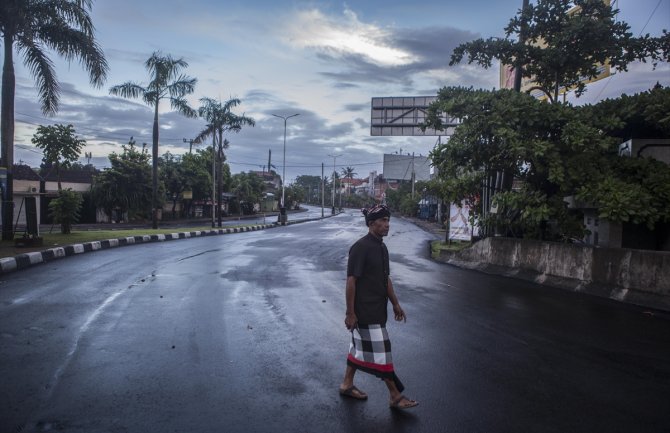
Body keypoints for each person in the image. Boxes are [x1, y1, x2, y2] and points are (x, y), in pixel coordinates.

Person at [338, 204, 418, 410]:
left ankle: (346, 384)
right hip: (364, 310)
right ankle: (395, 396)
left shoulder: (381, 247)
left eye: (388, 221)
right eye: (382, 221)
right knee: (383, 351)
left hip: (378, 308)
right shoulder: (360, 247)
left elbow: (385, 279)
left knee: (359, 348)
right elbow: (351, 281)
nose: (387, 225)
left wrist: (396, 303)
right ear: (371, 224)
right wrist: (350, 312)